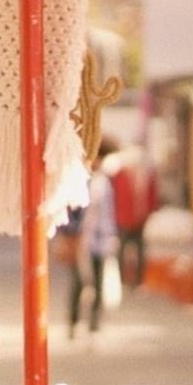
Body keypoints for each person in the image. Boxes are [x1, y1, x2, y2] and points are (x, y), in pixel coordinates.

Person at [66, 140, 120, 337]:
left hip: (100, 239)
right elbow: (71, 210)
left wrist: (112, 235)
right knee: (78, 282)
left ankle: (94, 322)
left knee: (98, 282)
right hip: (81, 238)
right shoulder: (80, 179)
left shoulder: (105, 182)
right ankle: (74, 321)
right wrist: (72, 233)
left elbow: (109, 212)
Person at [111, 144, 158, 287]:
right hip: (123, 219)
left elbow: (151, 197)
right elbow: (115, 197)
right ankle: (121, 279)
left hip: (140, 220)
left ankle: (138, 280)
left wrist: (149, 214)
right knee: (121, 250)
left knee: (140, 250)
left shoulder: (146, 177)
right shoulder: (119, 176)